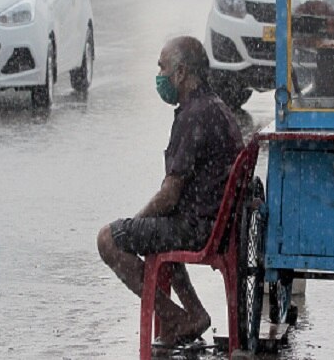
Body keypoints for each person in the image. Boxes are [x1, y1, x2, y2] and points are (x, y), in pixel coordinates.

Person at [97, 36, 244, 348]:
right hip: (216, 224)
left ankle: (176, 316)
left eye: (162, 67)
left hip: (199, 229)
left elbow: (169, 195)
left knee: (109, 240)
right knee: (157, 227)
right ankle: (193, 311)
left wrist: (132, 225)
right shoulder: (216, 108)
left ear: (181, 73)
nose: (159, 76)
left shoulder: (194, 117)